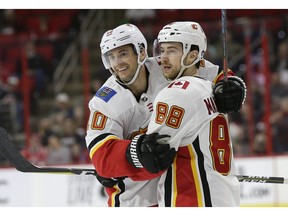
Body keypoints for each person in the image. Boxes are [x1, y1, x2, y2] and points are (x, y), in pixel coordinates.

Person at [85, 23, 246, 207]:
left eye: (123, 54)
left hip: (169, 191)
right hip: (135, 200)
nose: (117, 63)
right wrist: (133, 154)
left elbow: (207, 70)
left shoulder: (164, 67)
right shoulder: (104, 102)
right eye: (111, 57)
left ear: (142, 53)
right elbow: (101, 155)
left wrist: (231, 84)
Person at [144, 21, 243, 206]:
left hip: (191, 200)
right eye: (161, 50)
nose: (162, 58)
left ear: (192, 56)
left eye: (171, 50)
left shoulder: (176, 93)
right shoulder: (212, 88)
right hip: (225, 200)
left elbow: (151, 160)